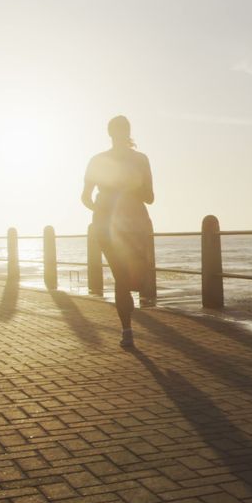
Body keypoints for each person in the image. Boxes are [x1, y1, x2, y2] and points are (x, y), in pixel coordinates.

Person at [81, 115, 154, 347]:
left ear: (110, 132)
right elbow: (150, 197)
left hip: (117, 224)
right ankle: (127, 329)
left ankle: (127, 328)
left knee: (126, 278)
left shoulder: (101, 160)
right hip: (126, 224)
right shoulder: (138, 160)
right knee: (124, 278)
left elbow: (85, 197)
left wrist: (101, 208)